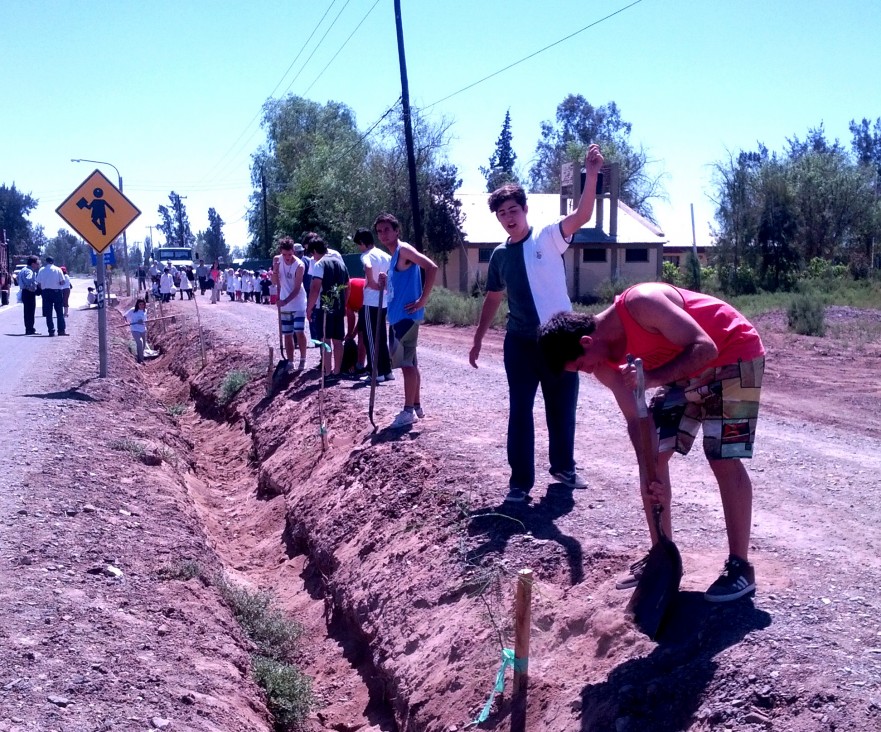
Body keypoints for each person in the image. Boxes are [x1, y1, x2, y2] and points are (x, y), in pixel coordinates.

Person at [537, 282, 766, 603]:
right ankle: (663, 558)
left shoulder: (642, 304)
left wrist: (654, 378)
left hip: (733, 352)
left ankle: (741, 567)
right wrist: (650, 471)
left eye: (580, 366)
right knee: (654, 454)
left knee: (722, 456)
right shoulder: (605, 367)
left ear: (587, 342)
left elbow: (706, 347)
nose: (585, 373)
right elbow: (637, 421)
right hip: (685, 371)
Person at [469, 145, 604, 502]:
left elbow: (582, 215)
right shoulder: (499, 255)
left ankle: (563, 467)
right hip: (520, 344)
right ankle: (519, 483)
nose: (509, 217)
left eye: (513, 209)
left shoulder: (548, 237)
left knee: (562, 408)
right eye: (502, 213)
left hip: (558, 342)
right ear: (497, 219)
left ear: (525, 209)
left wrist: (591, 176)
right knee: (520, 411)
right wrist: (478, 339)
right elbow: (493, 298)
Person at [374, 213, 438, 428]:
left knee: (405, 364)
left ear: (396, 230)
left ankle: (408, 411)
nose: (383, 234)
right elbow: (398, 287)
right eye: (380, 231)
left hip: (405, 318)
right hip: (397, 317)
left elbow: (432, 267)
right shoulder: (393, 258)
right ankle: (416, 405)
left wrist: (422, 300)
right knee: (410, 362)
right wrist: (385, 281)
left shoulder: (404, 250)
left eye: (387, 229)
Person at [304, 233, 349, 379]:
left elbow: (315, 287)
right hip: (339, 306)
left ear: (315, 251)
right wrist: (344, 304)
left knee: (325, 340)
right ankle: (337, 372)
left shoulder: (320, 264)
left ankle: (328, 372)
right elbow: (348, 286)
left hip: (325, 307)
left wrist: (309, 308)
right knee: (338, 340)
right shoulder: (341, 263)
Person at [355, 228, 392, 383]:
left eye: (359, 244)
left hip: (371, 302)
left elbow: (368, 266)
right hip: (383, 301)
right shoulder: (385, 255)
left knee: (371, 338)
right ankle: (387, 371)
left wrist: (372, 283)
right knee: (381, 337)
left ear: (363, 243)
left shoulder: (367, 255)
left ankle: (375, 372)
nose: (359, 248)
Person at [273, 238, 308, 373]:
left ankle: (303, 359)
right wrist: (275, 270)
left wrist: (285, 301)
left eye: (289, 254)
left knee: (299, 331)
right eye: (284, 254)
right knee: (287, 334)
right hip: (284, 303)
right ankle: (291, 361)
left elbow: (297, 288)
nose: (287, 257)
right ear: (281, 253)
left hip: (297, 302)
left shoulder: (299, 265)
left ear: (293, 251)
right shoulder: (277, 260)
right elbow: (275, 282)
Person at [36, 256, 67, 336]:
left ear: (46, 261)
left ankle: (51, 330)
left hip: (46, 292)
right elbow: (62, 281)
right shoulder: (58, 269)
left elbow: (38, 283)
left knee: (48, 313)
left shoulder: (41, 270)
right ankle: (61, 330)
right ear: (53, 262)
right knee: (59, 312)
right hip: (56, 292)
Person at [343, 276, 367, 377]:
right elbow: (351, 316)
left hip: (368, 301)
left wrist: (351, 334)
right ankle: (360, 364)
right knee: (362, 335)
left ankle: (360, 365)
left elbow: (355, 318)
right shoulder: (346, 293)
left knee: (362, 336)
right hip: (366, 301)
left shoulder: (345, 294)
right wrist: (351, 334)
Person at [19, 256, 40, 334]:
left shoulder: (23, 270)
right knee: (31, 311)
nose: (37, 265)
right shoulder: (30, 271)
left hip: (24, 292)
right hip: (29, 292)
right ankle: (30, 329)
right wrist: (34, 284)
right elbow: (29, 280)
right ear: (32, 263)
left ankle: (28, 328)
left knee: (27, 311)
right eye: (36, 263)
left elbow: (18, 278)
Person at [125, 298, 148, 364]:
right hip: (134, 329)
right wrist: (127, 322)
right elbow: (125, 316)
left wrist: (143, 322)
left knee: (143, 345)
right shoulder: (133, 310)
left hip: (143, 329)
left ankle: (140, 355)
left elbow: (145, 319)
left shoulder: (145, 311)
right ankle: (141, 360)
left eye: (143, 304)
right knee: (139, 342)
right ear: (137, 304)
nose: (141, 306)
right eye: (140, 304)